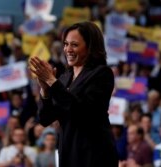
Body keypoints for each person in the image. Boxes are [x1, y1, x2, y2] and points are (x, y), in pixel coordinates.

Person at [30, 21, 118, 167]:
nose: (68, 49)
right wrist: (45, 89)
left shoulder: (102, 73)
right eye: (66, 44)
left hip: (94, 154)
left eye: (74, 45)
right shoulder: (65, 77)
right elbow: (45, 118)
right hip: (68, 154)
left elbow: (81, 111)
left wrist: (52, 81)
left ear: (90, 47)